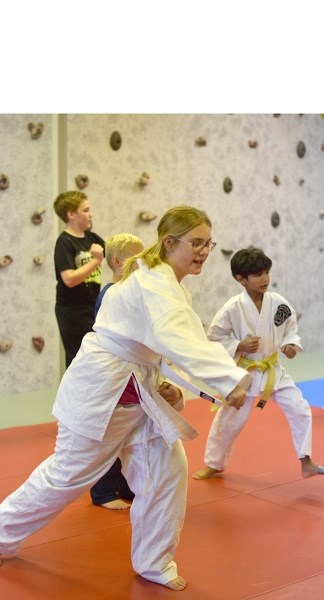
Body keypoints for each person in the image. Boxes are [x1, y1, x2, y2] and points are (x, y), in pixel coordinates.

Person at [0, 205, 251, 591]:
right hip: (104, 389)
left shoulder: (165, 282)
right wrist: (228, 382)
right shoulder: (153, 281)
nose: (203, 251)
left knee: (166, 471)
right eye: (196, 243)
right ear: (169, 242)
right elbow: (178, 338)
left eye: (208, 243)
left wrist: (180, 388)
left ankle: (153, 561)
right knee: (66, 477)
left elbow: (172, 343)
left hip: (137, 392)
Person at [193, 245, 324, 481]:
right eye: (258, 275)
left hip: (273, 369)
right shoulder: (232, 308)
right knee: (229, 421)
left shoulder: (279, 304)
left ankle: (306, 461)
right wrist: (238, 345)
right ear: (240, 279)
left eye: (266, 272)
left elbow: (290, 329)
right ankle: (214, 464)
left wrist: (291, 345)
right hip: (244, 373)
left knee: (300, 409)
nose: (265, 279)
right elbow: (213, 339)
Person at [90, 233, 144, 510]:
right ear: (118, 261)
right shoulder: (110, 294)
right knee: (110, 435)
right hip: (113, 376)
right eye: (137, 259)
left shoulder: (127, 292)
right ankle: (103, 491)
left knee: (132, 434)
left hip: (130, 376)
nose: (143, 264)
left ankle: (126, 484)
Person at [54, 190, 105, 368]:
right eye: (86, 210)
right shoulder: (64, 242)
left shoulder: (91, 238)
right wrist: (96, 261)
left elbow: (114, 252)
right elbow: (69, 279)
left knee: (96, 357)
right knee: (80, 359)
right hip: (72, 311)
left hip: (92, 307)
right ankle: (74, 395)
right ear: (71, 214)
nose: (90, 214)